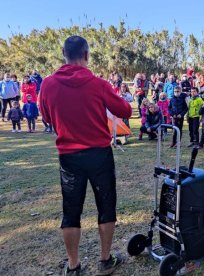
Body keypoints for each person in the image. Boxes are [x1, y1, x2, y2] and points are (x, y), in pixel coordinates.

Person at [39, 36, 132, 275]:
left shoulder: (48, 84)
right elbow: (125, 110)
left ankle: (73, 266)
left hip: (69, 156)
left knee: (71, 211)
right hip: (99, 154)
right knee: (106, 206)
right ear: (87, 55)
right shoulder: (99, 84)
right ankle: (104, 260)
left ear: (64, 54)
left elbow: (47, 118)